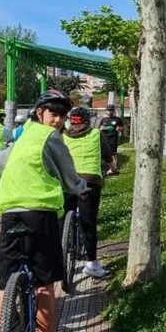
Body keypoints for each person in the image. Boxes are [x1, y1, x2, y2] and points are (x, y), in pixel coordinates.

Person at [0, 90, 86, 332]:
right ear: (40, 114)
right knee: (45, 284)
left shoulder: (19, 142)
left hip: (11, 216)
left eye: (63, 115)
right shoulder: (52, 139)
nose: (59, 121)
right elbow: (70, 177)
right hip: (41, 215)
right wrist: (82, 190)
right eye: (53, 114)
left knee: (4, 285)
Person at [62, 107, 114, 278]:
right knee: (88, 223)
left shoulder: (62, 136)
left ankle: (61, 251)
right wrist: (112, 168)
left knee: (62, 218)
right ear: (86, 120)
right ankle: (91, 264)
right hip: (90, 181)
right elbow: (108, 156)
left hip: (67, 182)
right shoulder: (95, 134)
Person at [98, 104, 124, 175]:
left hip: (113, 139)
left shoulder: (117, 119)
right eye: (108, 110)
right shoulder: (104, 119)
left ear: (113, 111)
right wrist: (101, 128)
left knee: (113, 153)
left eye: (110, 110)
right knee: (103, 152)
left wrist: (119, 129)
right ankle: (105, 166)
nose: (109, 112)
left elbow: (122, 128)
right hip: (104, 139)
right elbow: (99, 128)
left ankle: (114, 168)